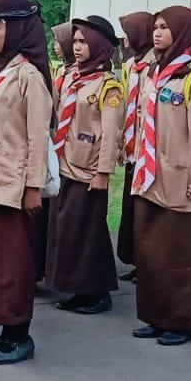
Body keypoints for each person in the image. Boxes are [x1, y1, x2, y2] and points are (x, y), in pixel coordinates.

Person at [0, 0, 53, 365]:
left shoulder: (29, 76)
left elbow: (38, 136)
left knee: (14, 263)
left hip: (14, 186)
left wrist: (33, 187)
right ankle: (5, 334)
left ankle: (20, 337)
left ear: (18, 29)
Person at [129, 7, 191, 346]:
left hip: (180, 178)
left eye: (165, 27)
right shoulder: (155, 72)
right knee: (152, 251)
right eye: (156, 27)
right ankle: (156, 315)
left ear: (181, 32)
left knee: (179, 254)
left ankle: (181, 321)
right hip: (150, 175)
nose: (157, 33)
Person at [44, 16, 125, 314]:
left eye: (83, 42)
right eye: (75, 41)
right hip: (66, 163)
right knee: (69, 230)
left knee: (89, 232)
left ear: (99, 45)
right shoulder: (72, 77)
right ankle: (79, 288)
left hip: (89, 169)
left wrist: (103, 172)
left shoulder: (108, 86)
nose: (77, 47)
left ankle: (98, 292)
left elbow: (111, 133)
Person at [116, 11, 157, 280]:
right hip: (132, 145)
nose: (124, 38)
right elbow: (126, 104)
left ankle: (148, 263)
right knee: (131, 207)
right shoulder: (131, 64)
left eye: (128, 32)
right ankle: (136, 258)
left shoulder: (156, 63)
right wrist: (123, 141)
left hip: (148, 145)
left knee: (147, 209)